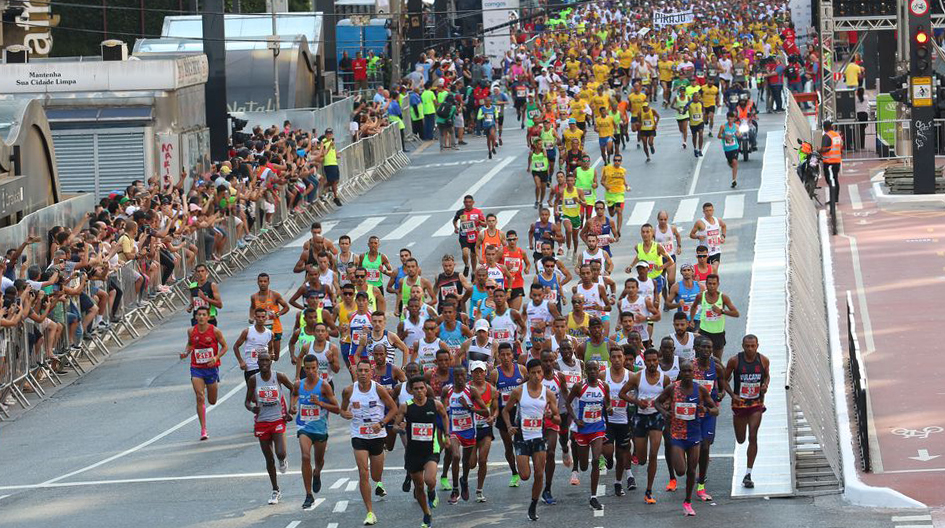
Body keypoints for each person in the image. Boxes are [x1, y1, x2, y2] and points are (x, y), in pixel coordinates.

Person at [340, 359, 400, 525]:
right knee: (363, 472)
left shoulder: (378, 389)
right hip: (358, 434)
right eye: (360, 371)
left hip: (377, 435)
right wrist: (345, 414)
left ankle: (381, 462)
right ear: (356, 372)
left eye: (366, 371)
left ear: (371, 372)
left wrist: (381, 423)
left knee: (375, 475)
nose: (363, 374)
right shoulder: (349, 391)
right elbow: (342, 410)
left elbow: (394, 408)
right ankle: (370, 512)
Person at [654, 359, 718, 516]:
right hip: (677, 435)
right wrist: (664, 413)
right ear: (680, 373)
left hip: (694, 435)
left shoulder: (701, 390)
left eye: (690, 371)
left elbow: (715, 410)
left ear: (694, 373)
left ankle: (687, 501)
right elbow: (657, 402)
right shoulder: (672, 388)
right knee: (681, 470)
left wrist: (707, 410)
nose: (688, 374)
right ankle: (681, 487)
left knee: (691, 470)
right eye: (685, 371)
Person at [502, 358, 561, 521]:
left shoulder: (548, 394)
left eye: (539, 372)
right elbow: (505, 411)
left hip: (539, 438)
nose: (536, 375)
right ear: (528, 374)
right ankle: (530, 489)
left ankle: (533, 504)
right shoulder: (519, 391)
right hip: (521, 437)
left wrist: (552, 416)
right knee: (525, 475)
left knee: (539, 473)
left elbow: (558, 419)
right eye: (533, 372)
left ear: (543, 373)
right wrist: (508, 426)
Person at [394, 376, 449, 528]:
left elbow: (445, 417)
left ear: (426, 389)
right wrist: (400, 428)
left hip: (431, 449)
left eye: (421, 388)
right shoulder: (406, 406)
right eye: (416, 389)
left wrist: (447, 435)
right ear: (411, 391)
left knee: (429, 480)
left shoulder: (435, 404)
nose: (419, 391)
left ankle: (432, 491)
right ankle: (426, 513)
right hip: (413, 452)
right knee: (418, 486)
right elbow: (395, 426)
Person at [244, 351, 296, 505]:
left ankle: (283, 460)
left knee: (280, 453)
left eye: (267, 360)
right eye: (261, 361)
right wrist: (252, 408)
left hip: (278, 419)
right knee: (269, 458)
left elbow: (293, 389)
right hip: (261, 422)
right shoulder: (254, 380)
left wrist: (291, 408)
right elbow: (246, 402)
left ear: (271, 361)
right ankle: (275, 490)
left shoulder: (279, 376)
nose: (264, 363)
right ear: (258, 363)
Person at [620, 347, 670, 504]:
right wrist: (637, 402)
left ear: (658, 361)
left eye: (655, 360)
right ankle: (640, 458)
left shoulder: (665, 379)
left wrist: (665, 405)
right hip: (640, 418)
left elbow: (670, 397)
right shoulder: (637, 377)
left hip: (656, 417)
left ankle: (649, 490)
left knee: (653, 453)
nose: (652, 363)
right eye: (649, 361)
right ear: (645, 362)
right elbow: (622, 393)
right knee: (642, 459)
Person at [292, 354, 340, 510]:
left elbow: (337, 408)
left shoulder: (324, 386)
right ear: (304, 369)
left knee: (318, 461)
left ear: (318, 368)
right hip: (303, 427)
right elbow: (294, 395)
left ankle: (317, 473)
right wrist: (292, 407)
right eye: (308, 368)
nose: (311, 371)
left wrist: (319, 403)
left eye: (314, 368)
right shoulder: (298, 384)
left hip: (320, 428)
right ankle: (308, 495)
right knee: (305, 456)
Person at [724, 334, 770, 490]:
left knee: (753, 436)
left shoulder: (763, 360)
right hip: (740, 405)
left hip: (756, 404)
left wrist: (765, 385)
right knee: (741, 439)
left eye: (753, 346)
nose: (750, 349)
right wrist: (732, 395)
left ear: (757, 345)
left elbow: (767, 376)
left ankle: (748, 474)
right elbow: (723, 379)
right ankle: (747, 472)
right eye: (747, 346)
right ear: (743, 346)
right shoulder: (734, 361)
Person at [565, 359, 608, 511]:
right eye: (589, 370)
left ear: (599, 370)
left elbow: (606, 404)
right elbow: (567, 403)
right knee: (584, 466)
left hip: (597, 428)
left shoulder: (604, 386)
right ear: (585, 372)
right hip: (582, 429)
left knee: (596, 460)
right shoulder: (579, 387)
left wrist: (608, 410)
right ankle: (574, 450)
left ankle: (593, 497)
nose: (592, 372)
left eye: (595, 369)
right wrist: (576, 419)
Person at [442, 365, 490, 504]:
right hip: (454, 431)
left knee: (466, 462)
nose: (460, 378)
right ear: (454, 377)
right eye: (457, 375)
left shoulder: (472, 391)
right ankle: (455, 489)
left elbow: (486, 412)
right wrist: (444, 431)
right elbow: (443, 412)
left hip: (469, 431)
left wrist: (469, 407)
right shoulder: (448, 391)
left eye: (462, 375)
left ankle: (464, 481)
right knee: (456, 456)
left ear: (466, 376)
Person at [181, 306, 227, 440]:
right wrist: (185, 353)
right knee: (200, 396)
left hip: (211, 368)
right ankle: (203, 429)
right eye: (199, 315)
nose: (201, 317)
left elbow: (225, 347)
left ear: (208, 317)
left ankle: (211, 388)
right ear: (195, 317)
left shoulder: (215, 331)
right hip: (196, 368)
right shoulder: (191, 331)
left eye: (203, 315)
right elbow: (190, 345)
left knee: (212, 401)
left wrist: (216, 357)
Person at [692, 335, 725, 501]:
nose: (706, 350)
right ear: (697, 349)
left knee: (705, 445)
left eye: (709, 348)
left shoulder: (716, 366)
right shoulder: (689, 367)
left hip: (709, 411)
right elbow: (677, 386)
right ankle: (692, 472)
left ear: (712, 350)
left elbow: (724, 384)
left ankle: (701, 482)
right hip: (692, 412)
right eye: (703, 347)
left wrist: (721, 394)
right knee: (693, 447)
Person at [489, 342, 526, 487]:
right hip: (504, 414)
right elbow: (492, 397)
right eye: (502, 355)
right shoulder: (495, 373)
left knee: (521, 443)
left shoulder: (521, 370)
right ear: (498, 356)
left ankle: (524, 466)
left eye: (508, 354)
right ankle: (514, 472)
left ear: (513, 355)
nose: (505, 357)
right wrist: (493, 413)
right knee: (508, 446)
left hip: (520, 413)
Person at [603, 344, 634, 496]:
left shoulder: (631, 376)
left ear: (623, 358)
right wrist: (606, 405)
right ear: (609, 359)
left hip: (624, 422)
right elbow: (597, 394)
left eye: (619, 357)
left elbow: (637, 396)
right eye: (613, 357)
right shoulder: (604, 375)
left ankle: (618, 482)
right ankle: (608, 460)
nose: (616, 360)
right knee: (608, 451)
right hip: (608, 421)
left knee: (621, 455)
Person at [689, 274, 739, 361]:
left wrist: (722, 311)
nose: (712, 286)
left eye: (714, 284)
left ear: (718, 284)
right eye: (709, 284)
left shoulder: (723, 297)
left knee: (717, 360)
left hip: (718, 332)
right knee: (701, 358)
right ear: (706, 284)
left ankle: (717, 374)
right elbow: (693, 306)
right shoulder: (700, 296)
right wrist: (692, 319)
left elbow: (736, 313)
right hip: (704, 331)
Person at [249, 272, 289, 360]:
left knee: (275, 357)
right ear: (257, 282)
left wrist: (277, 314)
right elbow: (252, 308)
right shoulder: (254, 297)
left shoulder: (275, 295)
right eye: (261, 281)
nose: (263, 283)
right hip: (261, 331)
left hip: (275, 329)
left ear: (268, 282)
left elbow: (286, 307)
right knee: (264, 357)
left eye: (265, 281)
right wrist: (251, 318)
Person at [233, 307, 275, 381]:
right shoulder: (247, 331)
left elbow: (270, 347)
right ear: (255, 317)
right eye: (258, 317)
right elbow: (236, 347)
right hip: (251, 367)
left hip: (264, 368)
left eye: (263, 317)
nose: (260, 319)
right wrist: (241, 362)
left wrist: (271, 354)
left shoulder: (269, 333)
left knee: (262, 389)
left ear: (266, 318)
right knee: (251, 391)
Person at [452, 195, 487, 277]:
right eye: (466, 202)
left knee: (473, 255)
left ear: (473, 202)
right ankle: (467, 265)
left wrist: (479, 222)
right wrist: (456, 227)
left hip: (475, 236)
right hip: (464, 235)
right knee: (465, 253)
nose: (468, 204)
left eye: (469, 202)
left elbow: (485, 224)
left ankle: (474, 272)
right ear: (464, 203)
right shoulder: (460, 212)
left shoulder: (478, 212)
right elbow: (454, 220)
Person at [689, 203, 727, 271]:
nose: (709, 212)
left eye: (710, 210)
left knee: (714, 269)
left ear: (713, 210)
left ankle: (715, 281)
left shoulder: (718, 220)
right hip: (704, 252)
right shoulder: (700, 222)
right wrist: (698, 237)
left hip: (716, 251)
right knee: (705, 271)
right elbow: (691, 234)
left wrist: (723, 236)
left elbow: (724, 226)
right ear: (703, 212)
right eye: (707, 211)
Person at [820, 120, 843, 205]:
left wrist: (819, 151)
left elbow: (824, 148)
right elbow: (840, 146)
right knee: (835, 179)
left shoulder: (826, 136)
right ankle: (835, 198)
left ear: (824, 127)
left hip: (829, 162)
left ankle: (833, 200)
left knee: (829, 180)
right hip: (837, 161)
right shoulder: (837, 135)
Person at [718, 111, 741, 187]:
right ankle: (731, 164)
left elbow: (739, 135)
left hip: (735, 147)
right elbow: (719, 136)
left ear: (734, 119)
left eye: (731, 119)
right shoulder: (723, 127)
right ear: (727, 119)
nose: (730, 121)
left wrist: (738, 134)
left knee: (734, 162)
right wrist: (725, 137)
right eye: (728, 119)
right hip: (727, 149)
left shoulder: (736, 126)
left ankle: (734, 180)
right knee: (731, 163)